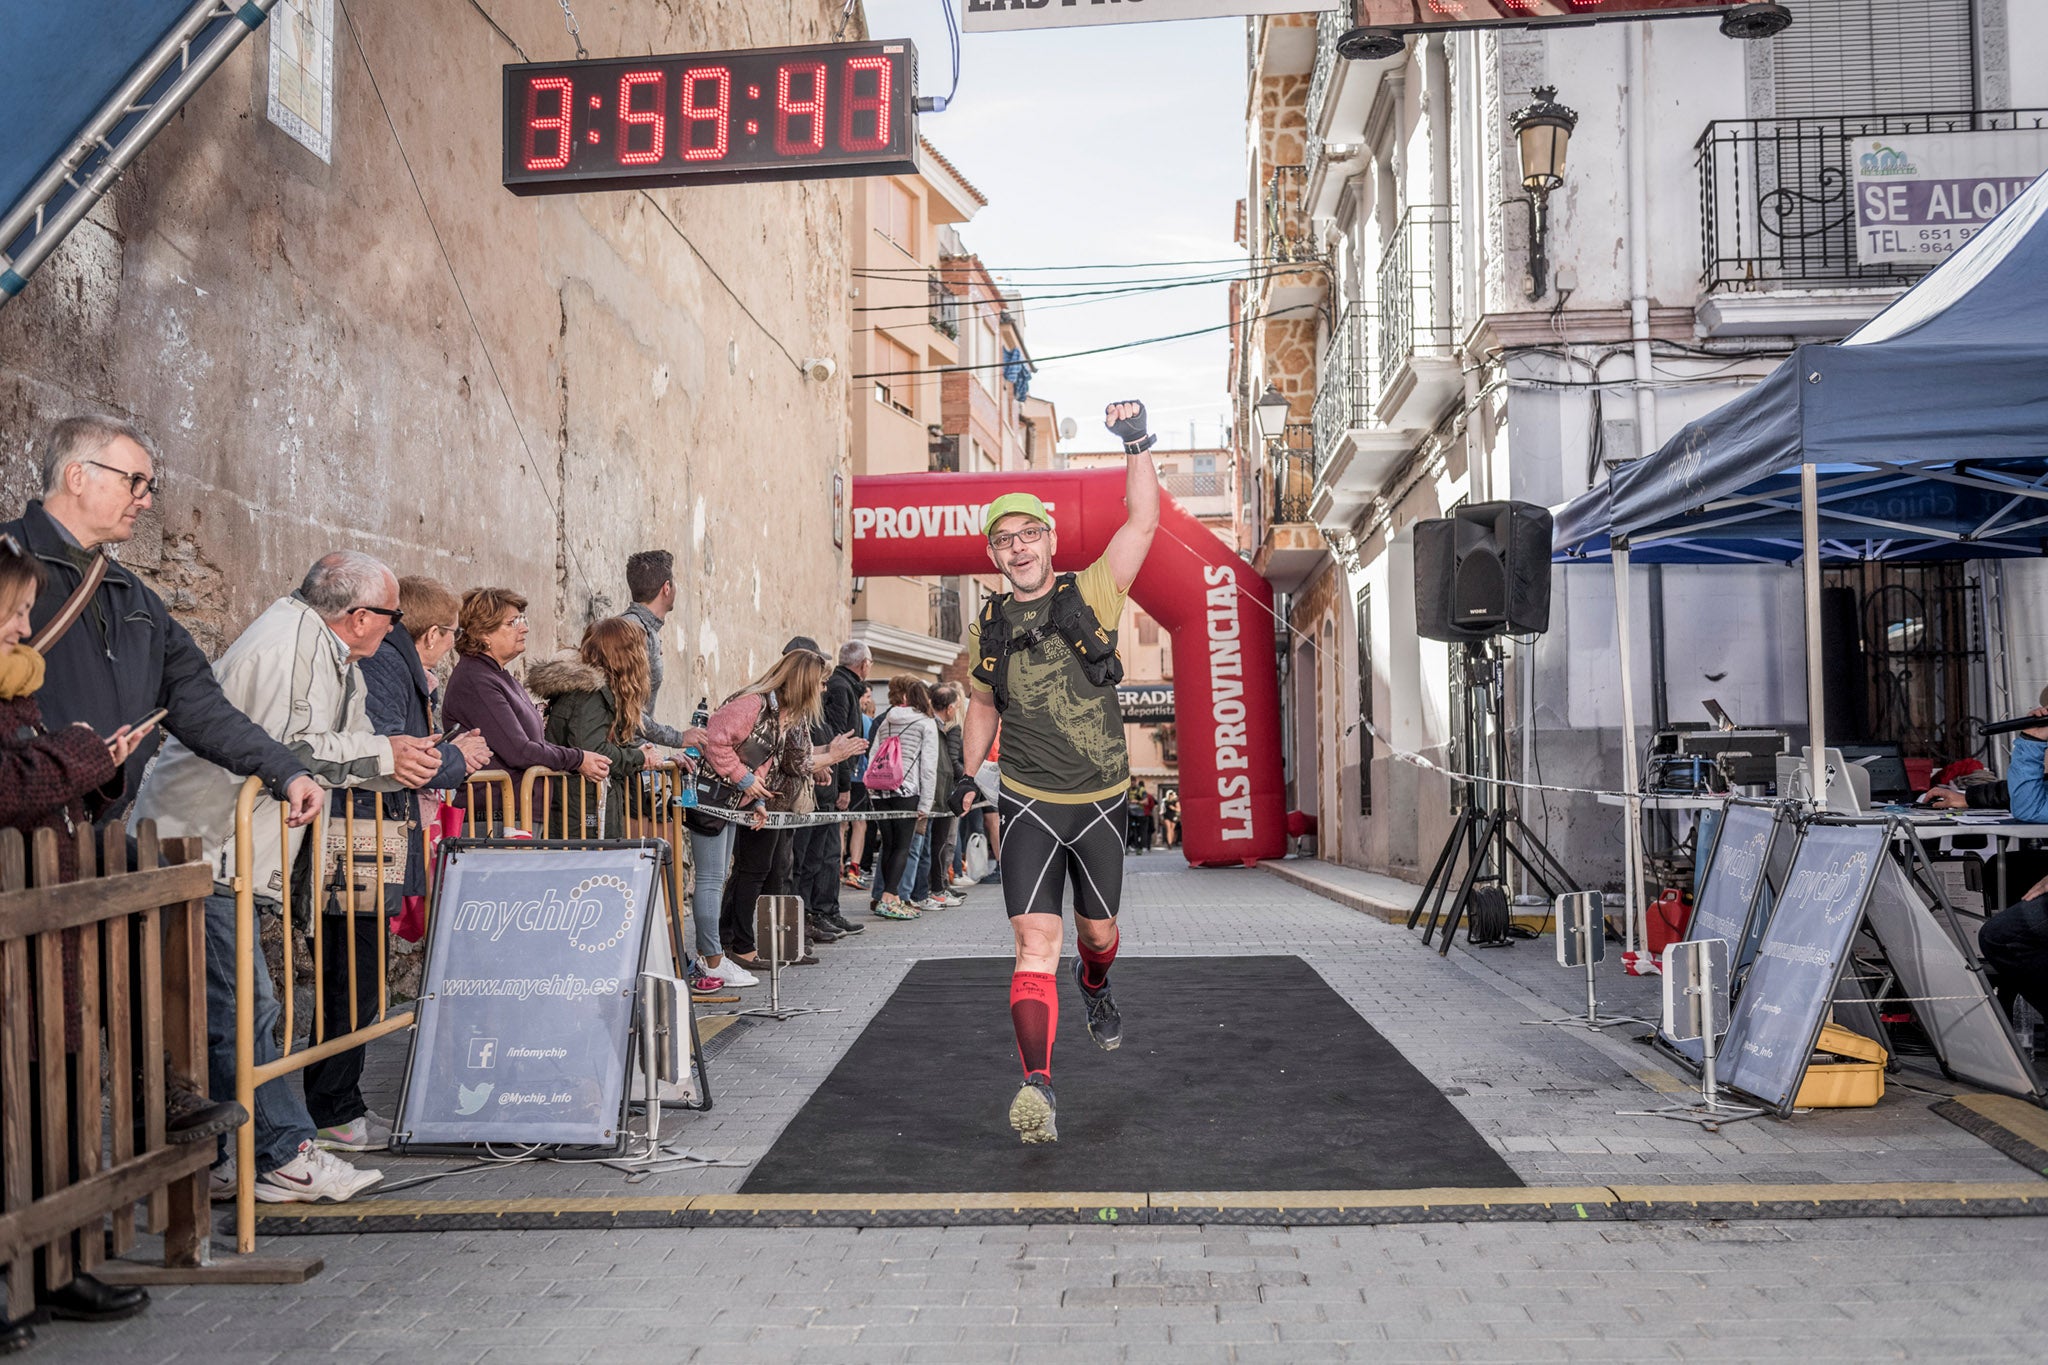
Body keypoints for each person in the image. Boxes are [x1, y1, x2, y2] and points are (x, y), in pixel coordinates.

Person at [135, 551, 446, 1204]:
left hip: (218, 847)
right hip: (205, 846)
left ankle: (233, 1157)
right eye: (390, 617)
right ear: (360, 615)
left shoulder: (319, 647)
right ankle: (281, 1153)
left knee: (234, 1007)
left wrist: (394, 762)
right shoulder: (288, 644)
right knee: (248, 1005)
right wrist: (385, 754)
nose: (394, 630)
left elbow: (327, 744)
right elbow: (284, 746)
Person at [955, 399, 1159, 1144]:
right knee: (1032, 941)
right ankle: (1037, 1085)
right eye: (1003, 540)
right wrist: (963, 771)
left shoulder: (1092, 592)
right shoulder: (987, 624)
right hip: (1029, 803)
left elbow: (1141, 521)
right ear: (994, 555)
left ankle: (1096, 983)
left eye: (1028, 533)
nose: (1017, 548)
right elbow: (982, 703)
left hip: (1102, 798)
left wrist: (1136, 441)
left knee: (1098, 934)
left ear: (1048, 538)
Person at [0, 533, 167, 1345]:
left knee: (50, 1097)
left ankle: (53, 1264)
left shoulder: (18, 688)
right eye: (13, 611)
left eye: (27, 610)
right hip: (14, 931)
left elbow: (40, 783)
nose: (24, 627)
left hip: (46, 929)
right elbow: (10, 784)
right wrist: (77, 750)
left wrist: (98, 764)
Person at [0, 417, 323, 830]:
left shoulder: (135, 598)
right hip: (17, 825)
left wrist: (286, 770)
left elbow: (199, 703)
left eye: (147, 486)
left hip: (88, 828)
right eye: (134, 481)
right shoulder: (7, 564)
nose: (145, 501)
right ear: (77, 476)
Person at [310, 576, 491, 1153]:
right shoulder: (389, 663)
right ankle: (335, 1112)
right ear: (432, 633)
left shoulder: (388, 662)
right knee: (354, 976)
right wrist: (455, 760)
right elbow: (394, 754)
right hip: (358, 835)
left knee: (356, 973)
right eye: (451, 636)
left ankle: (339, 1107)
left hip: (363, 830)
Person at [703, 649, 864, 967]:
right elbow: (720, 742)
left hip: (759, 800)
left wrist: (758, 795)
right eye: (820, 683)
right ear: (803, 682)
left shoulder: (783, 710)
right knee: (737, 875)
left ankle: (750, 943)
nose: (823, 690)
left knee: (763, 872)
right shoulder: (756, 703)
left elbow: (774, 761)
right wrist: (831, 755)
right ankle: (728, 949)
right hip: (727, 800)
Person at [442, 588, 611, 802]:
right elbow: (519, 751)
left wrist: (580, 758)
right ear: (483, 633)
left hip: (520, 809)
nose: (524, 629)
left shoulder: (500, 676)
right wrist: (577, 759)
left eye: (523, 619)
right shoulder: (476, 680)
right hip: (496, 816)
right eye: (513, 622)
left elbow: (535, 742)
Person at [531, 617, 657, 839]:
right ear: (625, 656)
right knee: (589, 870)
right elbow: (593, 750)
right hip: (580, 808)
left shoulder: (598, 692)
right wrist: (638, 757)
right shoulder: (591, 695)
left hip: (585, 802)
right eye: (640, 651)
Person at [788, 636, 864, 944]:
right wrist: (825, 764)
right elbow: (793, 751)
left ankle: (816, 915)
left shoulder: (817, 701)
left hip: (821, 788)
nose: (823, 683)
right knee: (798, 864)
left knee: (820, 858)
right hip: (800, 796)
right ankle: (799, 922)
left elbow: (832, 740)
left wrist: (830, 767)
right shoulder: (808, 701)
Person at [868, 675, 939, 919]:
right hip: (906, 789)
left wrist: (871, 788)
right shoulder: (926, 724)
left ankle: (890, 896)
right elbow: (928, 767)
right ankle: (889, 896)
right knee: (902, 846)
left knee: (888, 844)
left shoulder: (888, 719)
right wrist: (926, 804)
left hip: (880, 789)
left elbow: (874, 753)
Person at [623, 549, 688, 747]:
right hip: (627, 760)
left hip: (640, 754)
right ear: (666, 588)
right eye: (674, 582)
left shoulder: (644, 629)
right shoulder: (634, 630)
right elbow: (626, 709)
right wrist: (678, 738)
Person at [925, 684, 967, 907]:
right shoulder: (948, 729)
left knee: (937, 842)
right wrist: (969, 778)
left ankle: (938, 885)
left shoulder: (935, 726)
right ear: (950, 708)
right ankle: (937, 887)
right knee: (941, 841)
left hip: (935, 790)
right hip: (942, 791)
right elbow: (951, 761)